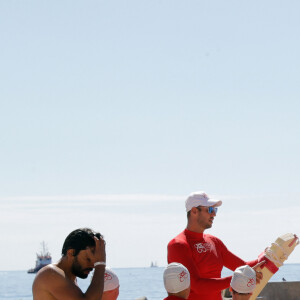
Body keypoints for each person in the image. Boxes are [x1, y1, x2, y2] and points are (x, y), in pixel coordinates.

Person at [167, 191, 262, 300]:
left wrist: (268, 256)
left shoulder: (214, 242)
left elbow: (242, 266)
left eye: (215, 210)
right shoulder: (178, 245)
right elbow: (196, 285)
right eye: (210, 210)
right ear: (194, 211)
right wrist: (238, 279)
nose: (214, 214)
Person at [32, 228, 106, 300]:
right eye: (88, 259)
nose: (93, 265)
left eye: (95, 260)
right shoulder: (50, 274)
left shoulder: (70, 279)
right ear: (71, 253)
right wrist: (100, 264)